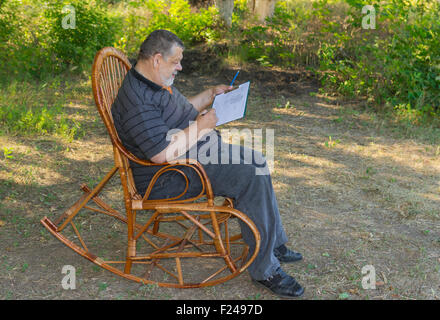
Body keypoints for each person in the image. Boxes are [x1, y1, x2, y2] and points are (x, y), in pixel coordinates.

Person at [111, 29, 305, 298]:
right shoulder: (137, 100)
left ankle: (273, 244)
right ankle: (266, 270)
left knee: (257, 160)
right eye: (175, 61)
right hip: (168, 176)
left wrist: (210, 94)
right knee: (250, 173)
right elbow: (160, 154)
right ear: (157, 59)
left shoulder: (155, 81)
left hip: (190, 155)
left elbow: (180, 111)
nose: (179, 67)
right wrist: (202, 127)